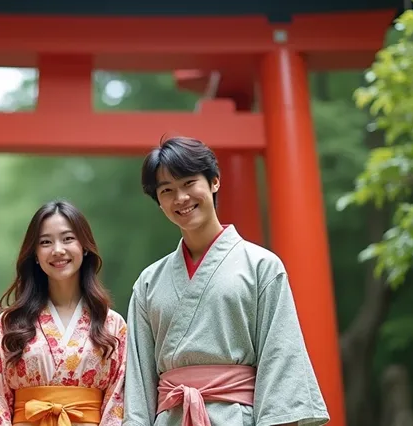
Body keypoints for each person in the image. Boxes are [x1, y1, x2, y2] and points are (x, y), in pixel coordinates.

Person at [123, 136, 329, 426]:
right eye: (167, 190)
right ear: (159, 202)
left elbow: (281, 357)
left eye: (188, 183)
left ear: (214, 182)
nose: (180, 198)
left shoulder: (261, 267)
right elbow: (138, 375)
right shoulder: (148, 282)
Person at [0, 200, 127, 426]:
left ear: (85, 247)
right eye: (45, 242)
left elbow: (118, 400)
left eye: (68, 239)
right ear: (35, 255)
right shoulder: (10, 324)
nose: (58, 250)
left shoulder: (112, 324)